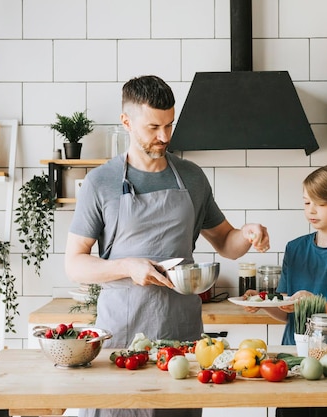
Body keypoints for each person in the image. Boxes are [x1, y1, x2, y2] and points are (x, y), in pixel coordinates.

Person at [65, 75, 270, 417]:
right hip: (122, 338)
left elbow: (226, 243)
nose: (164, 136)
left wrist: (247, 233)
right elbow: (74, 264)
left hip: (182, 337)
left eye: (170, 125)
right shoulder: (100, 182)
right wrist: (127, 266)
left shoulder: (191, 177)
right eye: (154, 127)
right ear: (126, 122)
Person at [244, 165, 327, 417]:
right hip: (294, 363)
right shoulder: (294, 249)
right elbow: (287, 312)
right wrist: (264, 303)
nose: (311, 210)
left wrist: (312, 301)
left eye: (320, 203)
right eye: (306, 203)